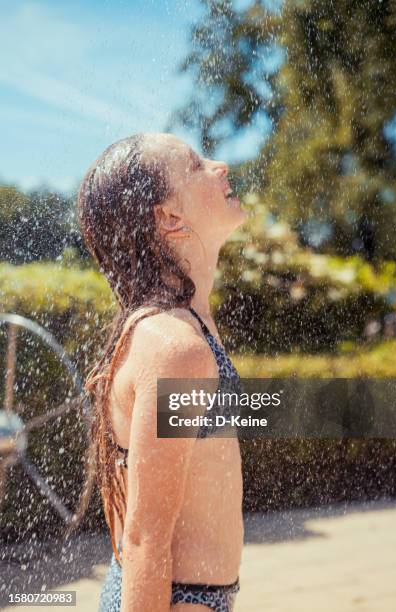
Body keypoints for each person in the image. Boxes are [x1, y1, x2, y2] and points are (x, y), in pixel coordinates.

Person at [76, 132, 247, 611]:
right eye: (196, 164)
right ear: (169, 217)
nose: (221, 166)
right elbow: (145, 537)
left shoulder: (176, 326)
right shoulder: (175, 347)